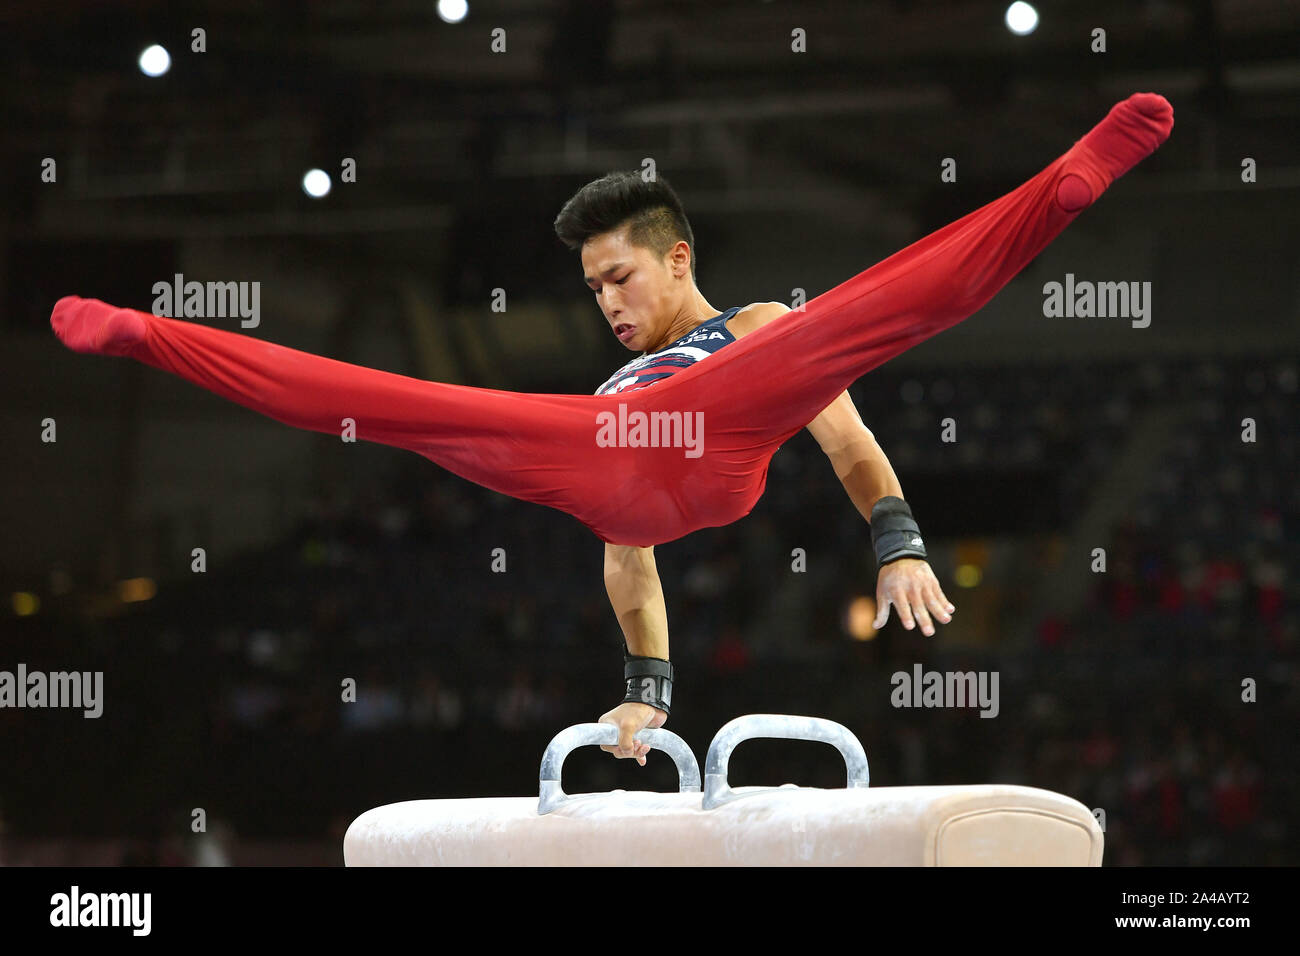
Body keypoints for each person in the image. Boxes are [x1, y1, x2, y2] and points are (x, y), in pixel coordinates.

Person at [50, 93, 1174, 765]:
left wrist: (898, 539)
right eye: (591, 288)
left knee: (856, 316)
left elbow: (847, 443)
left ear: (677, 256)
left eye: (619, 276)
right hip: (607, 462)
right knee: (382, 402)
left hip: (722, 433)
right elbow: (626, 555)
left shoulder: (750, 323)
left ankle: (1056, 191)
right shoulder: (614, 382)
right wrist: (648, 687)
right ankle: (150, 338)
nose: (608, 302)